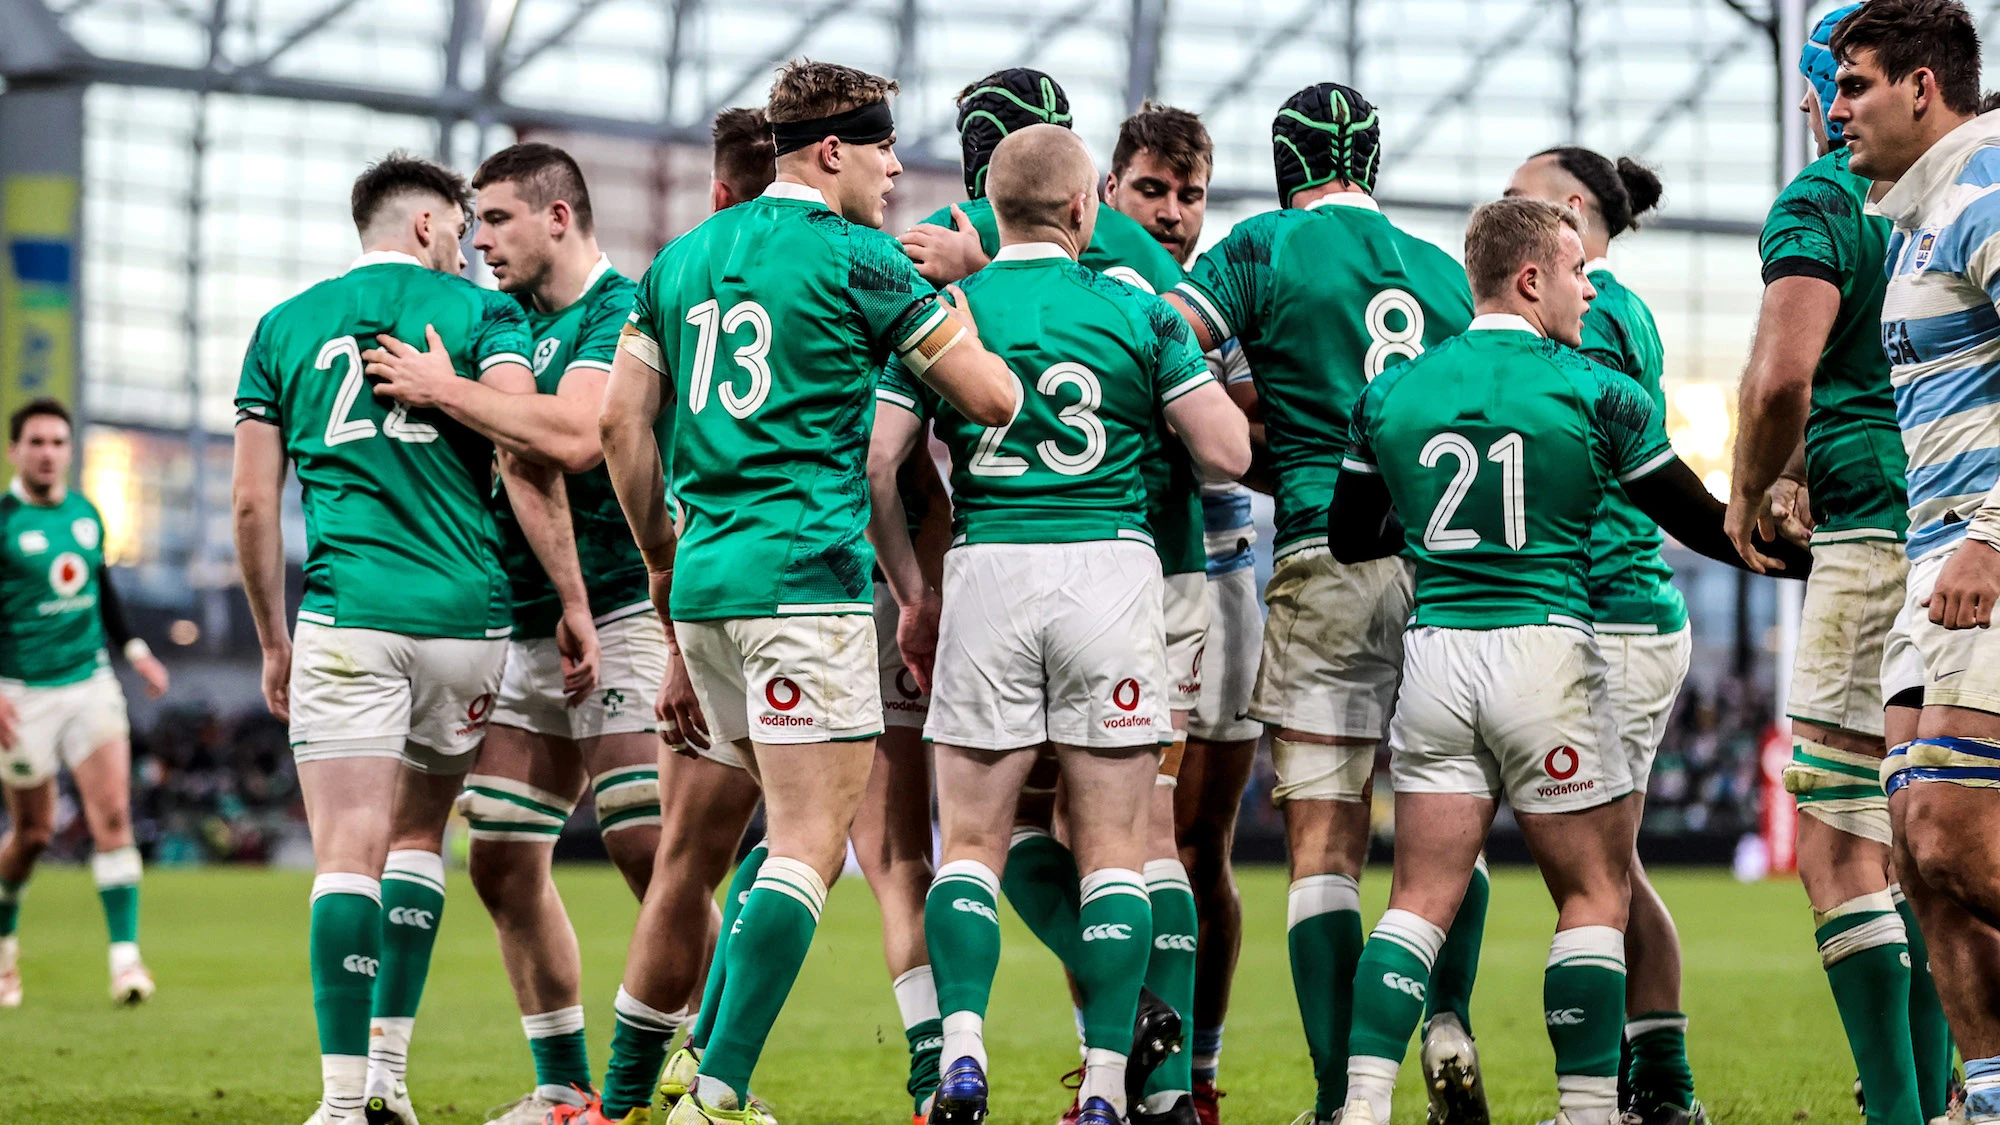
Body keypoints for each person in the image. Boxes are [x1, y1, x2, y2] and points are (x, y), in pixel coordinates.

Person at [591, 60, 1016, 1125]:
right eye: (882, 151)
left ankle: (629, 1094)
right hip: (806, 582)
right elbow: (991, 395)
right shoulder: (862, 262)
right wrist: (966, 296)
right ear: (831, 148)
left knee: (740, 847)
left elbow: (617, 427)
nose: (893, 173)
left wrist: (657, 560)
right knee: (810, 848)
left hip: (703, 586)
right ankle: (717, 1092)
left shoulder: (679, 262)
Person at [1325, 196, 1809, 1125]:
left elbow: (1351, 536)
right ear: (1531, 276)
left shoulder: (1389, 393)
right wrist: (1804, 561)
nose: (1593, 290)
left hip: (1435, 658)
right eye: (1579, 272)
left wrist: (1427, 524)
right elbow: (1700, 523)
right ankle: (1589, 1110)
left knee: (1416, 902)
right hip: (1547, 653)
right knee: (1593, 892)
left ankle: (1361, 1106)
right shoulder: (1598, 391)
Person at [868, 122, 1250, 1125]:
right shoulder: (1134, 309)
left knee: (974, 847)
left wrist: (912, 587)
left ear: (990, 210)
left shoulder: (948, 306)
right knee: (1117, 846)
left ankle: (961, 1056)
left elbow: (876, 460)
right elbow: (1227, 450)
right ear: (1088, 208)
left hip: (989, 568)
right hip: (1112, 575)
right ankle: (1110, 1088)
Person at [232, 152, 596, 1125]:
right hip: (466, 625)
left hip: (349, 617)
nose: (475, 248)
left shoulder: (282, 328)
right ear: (429, 226)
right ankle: (391, 1075)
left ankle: (344, 1101)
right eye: (464, 226)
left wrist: (273, 640)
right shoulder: (484, 320)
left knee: (345, 853)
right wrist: (568, 596)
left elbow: (250, 508)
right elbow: (528, 445)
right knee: (417, 841)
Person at [1163, 82, 1477, 1125]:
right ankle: (1445, 1020)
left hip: (1322, 557)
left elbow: (1162, 336)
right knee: (1443, 830)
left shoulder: (1261, 251)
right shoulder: (1443, 274)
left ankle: (1343, 1098)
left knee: (1324, 847)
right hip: (1446, 576)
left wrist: (1257, 432)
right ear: (1374, 163)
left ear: (1285, 162)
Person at [350, 140, 664, 1125]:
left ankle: (713, 1075)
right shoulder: (505, 322)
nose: (478, 241)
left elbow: (570, 440)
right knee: (498, 858)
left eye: (495, 220)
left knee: (648, 845)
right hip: (526, 621)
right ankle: (564, 1088)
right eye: (474, 222)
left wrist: (446, 391)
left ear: (558, 217)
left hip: (623, 606)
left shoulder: (621, 311)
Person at [1726, 7, 1950, 1123]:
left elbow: (1781, 376)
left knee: (1838, 841)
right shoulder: (1950, 193)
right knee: (1929, 842)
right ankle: (1943, 1090)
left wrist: (1749, 484)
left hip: (1872, 540)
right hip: (1959, 533)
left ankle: (1896, 1111)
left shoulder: (1825, 198)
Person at [1505, 146, 1706, 1125]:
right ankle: (1654, 1091)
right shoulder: (1612, 310)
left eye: (1520, 200)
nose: (1503, 212)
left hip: (1612, 613)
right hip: (1604, 613)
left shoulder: (1595, 313)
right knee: (1606, 873)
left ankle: (1625, 1097)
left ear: (1571, 210)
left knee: (1591, 878)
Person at [1827, 3, 2000, 1121]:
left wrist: (1992, 532)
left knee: (1953, 831)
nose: (1834, 108)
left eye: (1853, 84)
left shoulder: (1985, 195)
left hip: (1984, 548)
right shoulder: (1909, 219)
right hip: (1930, 552)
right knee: (1911, 853)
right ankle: (1986, 1093)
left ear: (1922, 88)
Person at [1105, 100, 1247, 1125]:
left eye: (1188, 195)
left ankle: (1191, 1075)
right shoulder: (1101, 281)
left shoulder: (1214, 302)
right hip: (1134, 577)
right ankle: (1122, 1067)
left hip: (1226, 575)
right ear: (1109, 191)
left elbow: (1247, 432)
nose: (1170, 214)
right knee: (1107, 832)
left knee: (1201, 840)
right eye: (1150, 191)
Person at [0, 397, 169, 1009]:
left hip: (89, 682)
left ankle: (127, 964)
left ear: (70, 452)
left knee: (114, 818)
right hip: (21, 694)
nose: (48, 453)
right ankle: (4, 945)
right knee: (35, 833)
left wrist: (137, 649)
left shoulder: (85, 513)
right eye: (37, 442)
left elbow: (103, 591)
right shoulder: (2, 520)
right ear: (15, 450)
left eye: (58, 443)